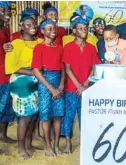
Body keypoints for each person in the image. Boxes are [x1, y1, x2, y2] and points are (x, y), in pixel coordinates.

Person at [5, 16, 43, 159]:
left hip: (37, 79)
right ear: (22, 26)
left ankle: (28, 144)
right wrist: (32, 72)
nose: (32, 26)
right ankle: (21, 149)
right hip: (21, 81)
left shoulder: (40, 42)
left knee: (34, 116)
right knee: (25, 116)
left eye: (34, 24)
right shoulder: (15, 44)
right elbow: (11, 67)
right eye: (28, 24)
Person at [61, 16, 100, 154]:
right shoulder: (68, 47)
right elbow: (67, 68)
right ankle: (67, 143)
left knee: (85, 116)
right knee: (69, 116)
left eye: (85, 28)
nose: (83, 30)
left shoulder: (91, 48)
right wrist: (78, 85)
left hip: (87, 89)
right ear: (74, 31)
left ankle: (85, 143)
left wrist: (85, 84)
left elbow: (94, 67)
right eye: (80, 28)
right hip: (71, 88)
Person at [31, 19, 65, 157]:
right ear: (42, 31)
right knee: (46, 115)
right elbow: (36, 71)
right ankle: (48, 146)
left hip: (58, 83)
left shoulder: (59, 47)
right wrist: (51, 88)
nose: (53, 31)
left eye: (54, 28)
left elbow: (63, 68)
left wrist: (61, 85)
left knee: (58, 114)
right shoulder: (39, 48)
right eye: (49, 29)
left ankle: (56, 144)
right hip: (45, 84)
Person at [0, 1, 15, 153]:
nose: (7, 12)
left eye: (8, 9)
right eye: (3, 9)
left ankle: (3, 135)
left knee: (6, 108)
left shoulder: (6, 29)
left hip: (7, 74)